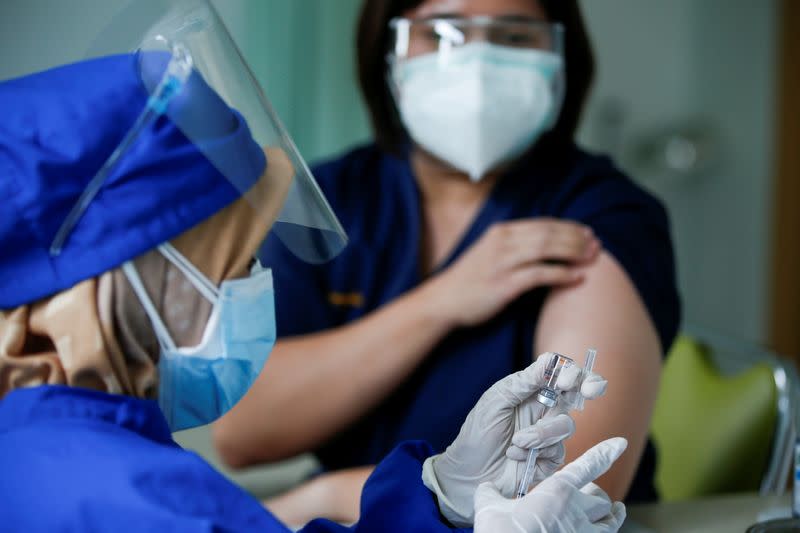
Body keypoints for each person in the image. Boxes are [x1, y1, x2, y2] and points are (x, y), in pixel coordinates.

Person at [0, 1, 629, 531]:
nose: (248, 285)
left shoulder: (54, 456)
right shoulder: (131, 499)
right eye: (233, 263)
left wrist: (440, 493)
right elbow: (247, 439)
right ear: (85, 292)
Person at [213, 0, 680, 524]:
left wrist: (325, 498)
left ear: (561, 56)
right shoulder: (333, 199)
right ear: (385, 53)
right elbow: (243, 430)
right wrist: (442, 302)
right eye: (441, 34)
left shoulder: (599, 213)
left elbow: (564, 485)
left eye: (515, 37)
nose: (477, 63)